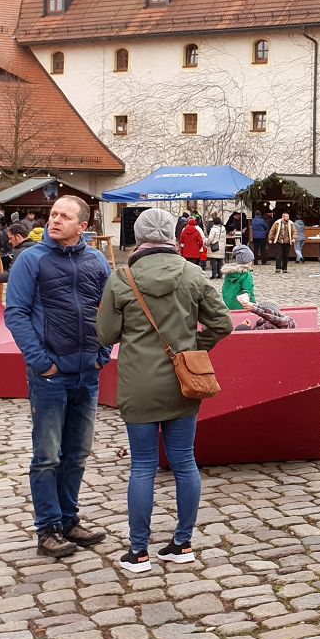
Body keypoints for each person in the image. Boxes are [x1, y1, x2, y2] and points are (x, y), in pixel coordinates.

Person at [97, 209, 234, 572]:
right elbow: (223, 324)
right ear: (172, 235)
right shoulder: (192, 273)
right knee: (185, 461)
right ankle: (182, 544)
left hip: (138, 384)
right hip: (184, 381)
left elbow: (106, 334)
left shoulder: (121, 278)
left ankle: (138, 551)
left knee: (142, 466)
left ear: (139, 237)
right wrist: (194, 346)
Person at [4, 196, 114, 558]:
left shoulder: (96, 260)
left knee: (77, 454)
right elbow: (15, 313)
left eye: (64, 216)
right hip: (50, 376)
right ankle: (48, 529)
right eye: (53, 215)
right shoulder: (31, 259)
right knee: (47, 456)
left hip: (87, 373)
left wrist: (101, 355)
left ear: (83, 226)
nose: (55, 220)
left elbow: (109, 310)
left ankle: (69, 521)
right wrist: (41, 362)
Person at [221, 245, 256, 311]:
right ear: (246, 261)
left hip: (229, 304)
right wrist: (253, 304)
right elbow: (248, 290)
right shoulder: (246, 274)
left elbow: (224, 289)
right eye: (251, 261)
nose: (252, 263)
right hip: (244, 306)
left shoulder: (229, 273)